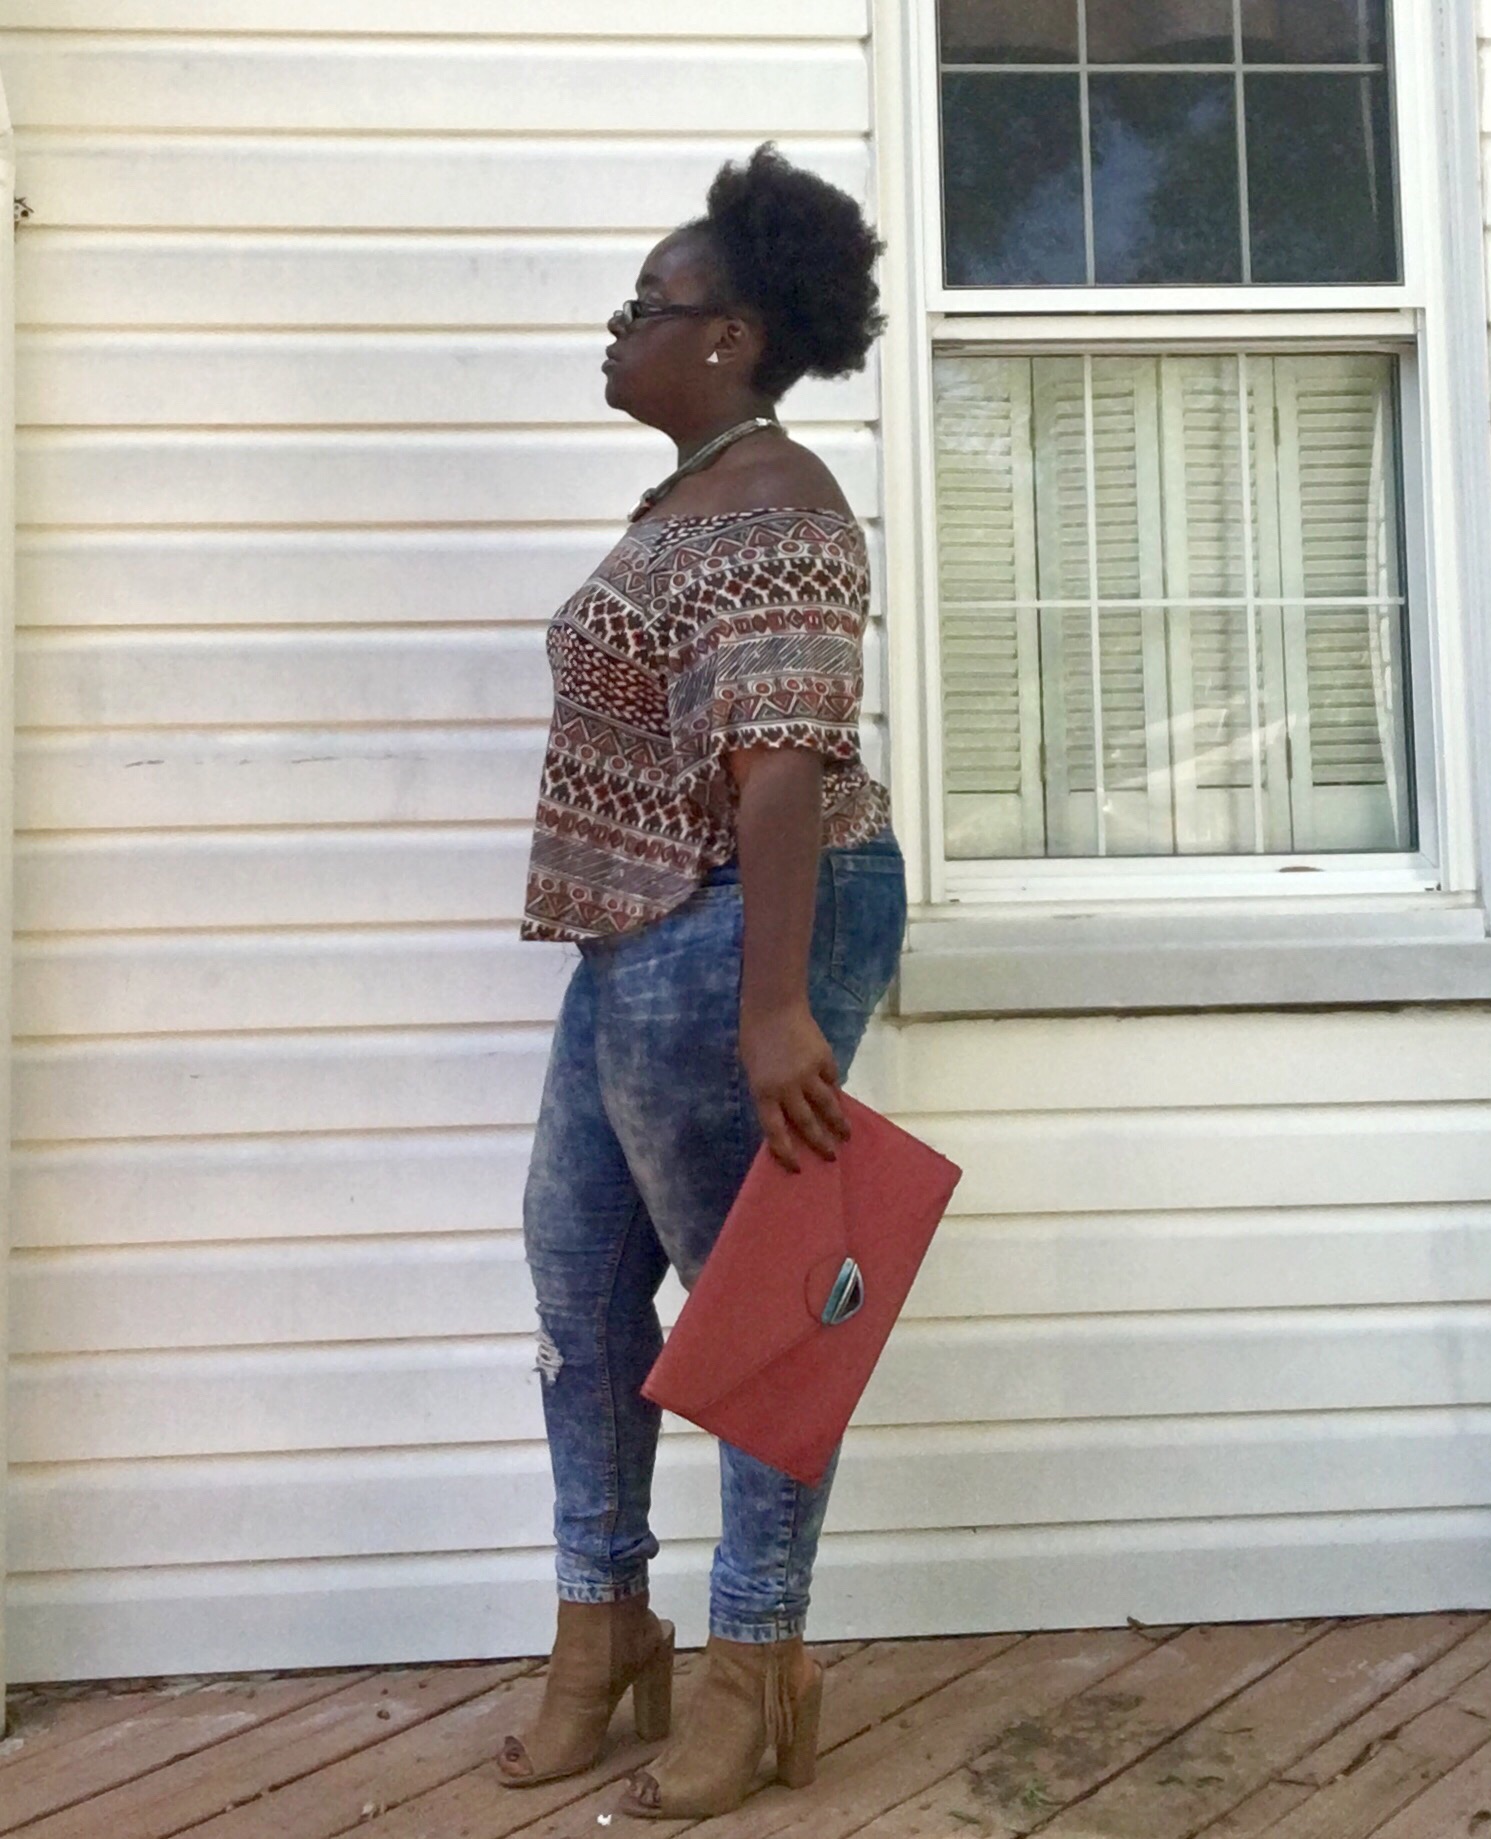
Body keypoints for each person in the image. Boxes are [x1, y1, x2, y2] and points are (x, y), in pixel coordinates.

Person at [501, 142, 904, 1821]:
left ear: (729, 334)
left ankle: (758, 1661)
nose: (619, 330)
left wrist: (775, 1004)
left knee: (755, 1319)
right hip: (641, 923)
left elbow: (783, 764)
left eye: (645, 306)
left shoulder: (777, 505)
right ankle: (604, 1624)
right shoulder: (694, 495)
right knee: (580, 1285)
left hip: (745, 919)